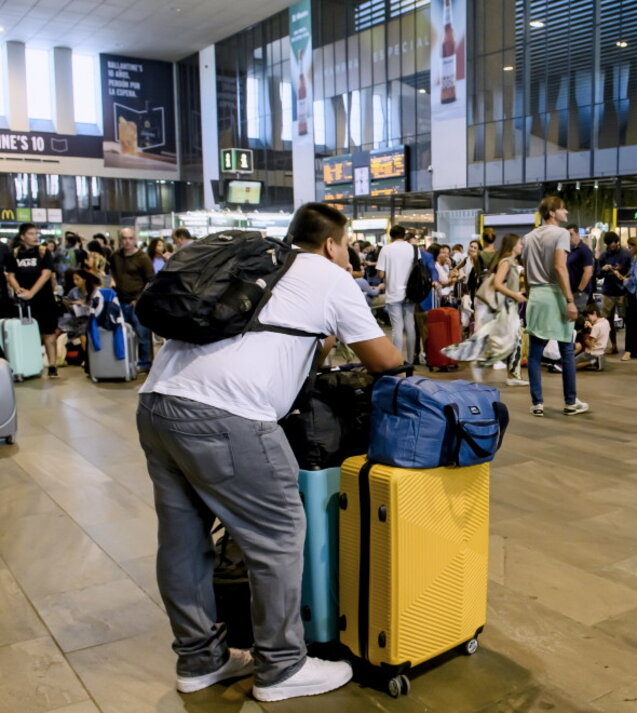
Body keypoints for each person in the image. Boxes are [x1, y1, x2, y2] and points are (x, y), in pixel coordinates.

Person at [137, 203, 402, 702]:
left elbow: (278, 343)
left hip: (158, 401)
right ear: (332, 244)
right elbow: (384, 359)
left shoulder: (261, 264)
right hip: (227, 415)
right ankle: (282, 666)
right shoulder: (329, 274)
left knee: (182, 538)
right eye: (346, 248)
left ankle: (200, 660)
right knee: (278, 534)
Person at [522, 197, 587, 417]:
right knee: (566, 349)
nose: (566, 211)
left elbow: (526, 271)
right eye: (562, 208)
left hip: (536, 296)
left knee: (535, 353)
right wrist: (570, 300)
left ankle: (537, 403)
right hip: (555, 295)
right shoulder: (561, 234)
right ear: (552, 213)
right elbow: (560, 267)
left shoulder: (528, 237)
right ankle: (570, 402)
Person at [5, 223, 61, 377]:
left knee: (49, 333)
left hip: (44, 298)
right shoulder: (14, 254)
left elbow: (46, 274)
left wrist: (32, 292)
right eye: (31, 233)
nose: (35, 236)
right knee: (28, 332)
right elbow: (11, 275)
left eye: (36, 233)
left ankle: (52, 365)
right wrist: (19, 290)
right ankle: (30, 364)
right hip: (24, 300)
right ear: (22, 236)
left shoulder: (43, 252)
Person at [109, 227, 156, 371]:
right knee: (123, 336)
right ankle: (127, 362)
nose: (127, 241)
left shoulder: (142, 258)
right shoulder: (115, 256)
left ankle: (145, 363)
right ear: (120, 240)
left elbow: (151, 281)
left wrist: (139, 299)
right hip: (120, 301)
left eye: (130, 238)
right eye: (124, 238)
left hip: (138, 303)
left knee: (142, 336)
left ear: (134, 239)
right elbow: (112, 273)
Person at [377, 224, 418, 363]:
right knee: (410, 326)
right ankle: (411, 360)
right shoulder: (413, 249)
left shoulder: (386, 249)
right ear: (404, 235)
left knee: (397, 328)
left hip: (394, 293)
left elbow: (381, 274)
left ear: (391, 235)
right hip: (411, 293)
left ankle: (398, 361)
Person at [490, 234, 527, 386]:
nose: (521, 246)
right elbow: (497, 283)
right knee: (515, 339)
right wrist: (515, 295)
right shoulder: (506, 262)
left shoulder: (511, 262)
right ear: (513, 245)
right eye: (519, 243)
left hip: (510, 305)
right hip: (507, 305)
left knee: (516, 339)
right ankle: (513, 376)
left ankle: (514, 375)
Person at [612, 236, 637, 361]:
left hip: (635, 295)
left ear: (636, 247)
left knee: (632, 323)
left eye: (630, 247)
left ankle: (630, 350)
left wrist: (624, 280)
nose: (629, 249)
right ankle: (636, 349)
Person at [596, 232, 632, 355]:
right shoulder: (604, 256)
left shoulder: (626, 253)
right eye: (609, 246)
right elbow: (598, 274)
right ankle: (614, 346)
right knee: (607, 320)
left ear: (618, 242)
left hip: (623, 291)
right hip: (608, 291)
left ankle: (629, 348)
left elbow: (632, 272)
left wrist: (622, 275)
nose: (612, 247)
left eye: (614, 245)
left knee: (627, 319)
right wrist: (603, 270)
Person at [565, 224, 595, 312]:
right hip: (571, 291)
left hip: (580, 292)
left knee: (577, 318)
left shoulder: (584, 250)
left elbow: (588, 272)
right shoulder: (569, 250)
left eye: (571, 234)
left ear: (578, 234)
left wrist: (580, 290)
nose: (569, 237)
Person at [575, 304, 609, 370]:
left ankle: (593, 362)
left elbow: (591, 344)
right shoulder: (606, 322)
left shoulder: (596, 327)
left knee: (570, 365)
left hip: (592, 353)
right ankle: (595, 361)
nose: (587, 319)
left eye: (588, 316)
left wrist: (584, 334)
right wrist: (591, 327)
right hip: (601, 352)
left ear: (594, 313)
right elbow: (600, 334)